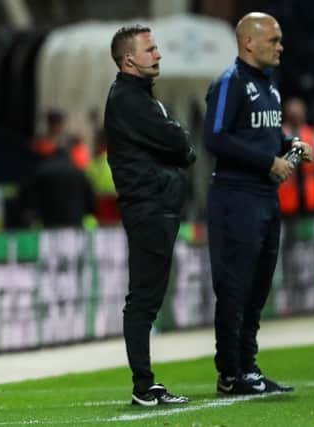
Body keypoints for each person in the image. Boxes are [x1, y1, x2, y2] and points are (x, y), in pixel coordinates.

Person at [204, 12, 312, 396]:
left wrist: (290, 144)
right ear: (248, 42)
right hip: (236, 198)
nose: (280, 46)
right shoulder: (229, 84)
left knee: (257, 287)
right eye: (273, 39)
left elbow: (265, 133)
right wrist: (269, 162)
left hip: (265, 199)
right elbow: (214, 138)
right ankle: (230, 372)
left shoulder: (270, 86)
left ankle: (247, 365)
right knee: (235, 286)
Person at [104, 25, 195, 406]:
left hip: (155, 206)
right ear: (129, 60)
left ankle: (145, 382)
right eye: (150, 49)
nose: (158, 54)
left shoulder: (138, 96)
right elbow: (180, 144)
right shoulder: (130, 100)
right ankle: (143, 385)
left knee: (146, 297)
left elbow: (178, 144)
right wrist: (179, 150)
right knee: (143, 299)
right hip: (149, 207)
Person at [279, 97, 314, 215]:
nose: (295, 116)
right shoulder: (278, 136)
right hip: (285, 205)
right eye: (292, 113)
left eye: (298, 113)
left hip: (311, 203)